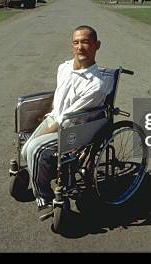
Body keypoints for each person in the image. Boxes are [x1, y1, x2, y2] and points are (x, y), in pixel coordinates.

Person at [20, 25, 112, 217]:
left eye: (86, 42)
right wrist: (45, 114)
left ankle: (44, 198)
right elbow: (59, 98)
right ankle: (48, 172)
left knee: (35, 150)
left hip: (75, 129)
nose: (80, 47)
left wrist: (46, 131)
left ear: (97, 45)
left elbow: (68, 118)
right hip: (55, 118)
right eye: (76, 42)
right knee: (25, 150)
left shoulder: (96, 85)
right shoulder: (63, 67)